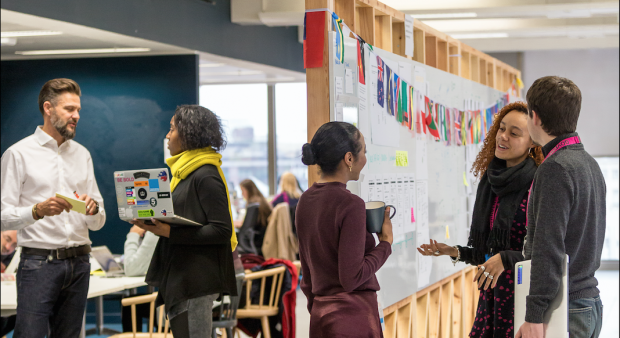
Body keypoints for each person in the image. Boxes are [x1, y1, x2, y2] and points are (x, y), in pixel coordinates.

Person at [417, 102, 543, 338]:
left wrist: (506, 259)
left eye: (514, 133)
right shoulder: (490, 183)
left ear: (533, 142)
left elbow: (546, 254)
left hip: (524, 304)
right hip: (490, 302)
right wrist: (453, 251)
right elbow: (487, 255)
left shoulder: (539, 184)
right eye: (501, 128)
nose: (503, 137)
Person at [1, 78, 106, 338]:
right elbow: (3, 217)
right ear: (48, 108)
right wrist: (37, 211)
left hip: (81, 262)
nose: (76, 116)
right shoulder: (18, 154)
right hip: (39, 264)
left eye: (78, 110)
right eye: (69, 109)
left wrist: (93, 210)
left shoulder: (83, 154)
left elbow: (98, 220)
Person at [130, 105, 238, 338]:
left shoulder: (205, 174)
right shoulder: (184, 173)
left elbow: (221, 231)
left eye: (171, 129)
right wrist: (152, 224)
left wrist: (168, 231)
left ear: (188, 132)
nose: (167, 136)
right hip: (183, 275)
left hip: (195, 280)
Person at [516, 77, 606, 338]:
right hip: (586, 303)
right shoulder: (588, 163)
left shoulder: (555, 168)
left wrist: (534, 313)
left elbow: (549, 246)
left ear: (535, 117)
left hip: (565, 308)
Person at [296, 121, 393, 337]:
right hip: (353, 318)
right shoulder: (351, 204)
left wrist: (319, 307)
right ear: (349, 158)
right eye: (364, 151)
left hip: (321, 316)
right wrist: (385, 243)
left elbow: (308, 272)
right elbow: (352, 277)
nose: (365, 159)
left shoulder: (305, 200)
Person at [121, 225, 159, 332]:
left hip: (174, 308)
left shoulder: (156, 229)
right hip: (203, 302)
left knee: (129, 304)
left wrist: (133, 235)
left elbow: (131, 268)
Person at [236, 179, 272, 256]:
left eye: (243, 191)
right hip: (262, 236)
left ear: (249, 190)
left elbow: (247, 226)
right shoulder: (260, 200)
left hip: (255, 239)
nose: (242, 194)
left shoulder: (253, 203)